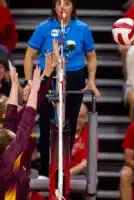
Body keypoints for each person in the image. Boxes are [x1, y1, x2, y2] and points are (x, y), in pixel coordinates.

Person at [23, 0, 100, 177]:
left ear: (73, 7)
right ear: (53, 7)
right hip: (48, 75)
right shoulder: (44, 28)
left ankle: (63, 170)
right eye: (58, 3)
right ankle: (44, 171)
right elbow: (29, 54)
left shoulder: (82, 28)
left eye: (66, 3)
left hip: (74, 76)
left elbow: (92, 56)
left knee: (70, 123)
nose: (62, 7)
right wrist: (28, 82)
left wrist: (92, 80)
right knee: (45, 122)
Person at [0, 66, 41, 200]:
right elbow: (26, 124)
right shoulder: (10, 158)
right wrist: (34, 90)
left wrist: (14, 85)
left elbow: (10, 118)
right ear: (8, 147)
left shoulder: (6, 153)